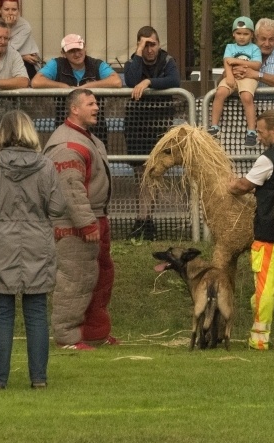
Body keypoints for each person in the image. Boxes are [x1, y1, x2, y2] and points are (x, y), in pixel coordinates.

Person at [0, 110, 66, 390]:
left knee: (1, 312)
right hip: (37, 240)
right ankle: (39, 379)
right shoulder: (46, 166)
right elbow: (58, 207)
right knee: (36, 312)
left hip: (1, 241)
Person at [43, 88, 116, 351]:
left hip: (95, 217)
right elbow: (70, 189)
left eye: (96, 103)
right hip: (74, 223)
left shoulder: (87, 139)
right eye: (91, 103)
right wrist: (86, 223)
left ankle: (95, 331)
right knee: (76, 278)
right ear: (74, 109)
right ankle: (67, 337)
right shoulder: (67, 145)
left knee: (99, 276)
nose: (97, 107)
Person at [227, 109, 274, 350]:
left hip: (269, 233)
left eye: (260, 132)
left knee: (265, 289)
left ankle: (259, 340)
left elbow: (244, 186)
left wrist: (230, 185)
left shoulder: (268, 158)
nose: (258, 136)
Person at [123, 25, 179, 240]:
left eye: (152, 44)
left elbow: (174, 81)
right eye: (145, 45)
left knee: (153, 173)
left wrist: (148, 82)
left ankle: (147, 220)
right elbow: (130, 80)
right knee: (140, 174)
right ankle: (142, 220)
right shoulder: (133, 61)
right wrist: (137, 54)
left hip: (159, 126)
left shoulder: (167, 61)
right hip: (137, 126)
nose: (149, 49)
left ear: (159, 43)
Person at [31, 34, 122, 143]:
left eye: (79, 49)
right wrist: (64, 87)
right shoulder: (57, 64)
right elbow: (36, 81)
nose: (77, 54)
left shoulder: (96, 64)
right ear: (63, 53)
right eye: (71, 51)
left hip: (96, 128)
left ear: (85, 48)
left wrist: (85, 87)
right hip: (65, 126)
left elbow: (116, 81)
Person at [207, 16, 261, 148]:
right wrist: (230, 76)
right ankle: (214, 127)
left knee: (246, 97)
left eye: (245, 34)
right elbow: (226, 62)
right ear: (233, 34)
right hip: (232, 76)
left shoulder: (254, 48)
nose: (242, 37)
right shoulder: (230, 47)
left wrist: (238, 61)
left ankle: (251, 131)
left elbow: (257, 65)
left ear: (252, 35)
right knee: (219, 93)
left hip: (248, 77)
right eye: (238, 33)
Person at [232, 18, 274, 88]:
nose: (267, 44)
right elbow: (223, 79)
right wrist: (232, 72)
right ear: (255, 38)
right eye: (263, 39)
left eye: (271, 39)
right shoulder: (240, 52)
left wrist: (256, 74)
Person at [0, 0, 40, 79]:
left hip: (26, 64)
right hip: (1, 61)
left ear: (18, 11)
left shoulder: (25, 27)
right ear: (0, 10)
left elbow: (8, 49)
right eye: (6, 9)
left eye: (14, 9)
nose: (10, 13)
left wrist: (8, 27)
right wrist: (22, 56)